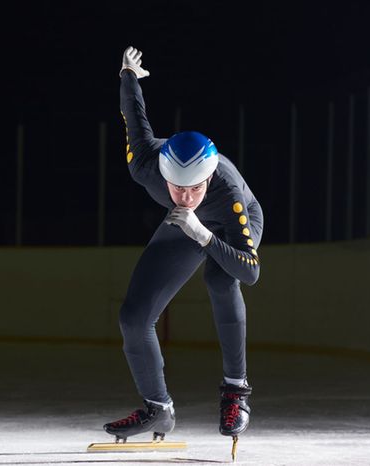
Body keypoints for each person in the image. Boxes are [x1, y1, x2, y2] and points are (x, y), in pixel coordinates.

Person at [104, 47, 264, 446]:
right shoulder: (145, 163)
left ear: (209, 178)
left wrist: (205, 235)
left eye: (196, 188)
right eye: (178, 188)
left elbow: (250, 271)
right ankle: (158, 409)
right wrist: (127, 74)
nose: (187, 195)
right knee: (133, 317)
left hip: (228, 225)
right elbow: (133, 116)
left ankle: (236, 391)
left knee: (222, 281)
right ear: (163, 175)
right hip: (184, 227)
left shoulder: (226, 190)